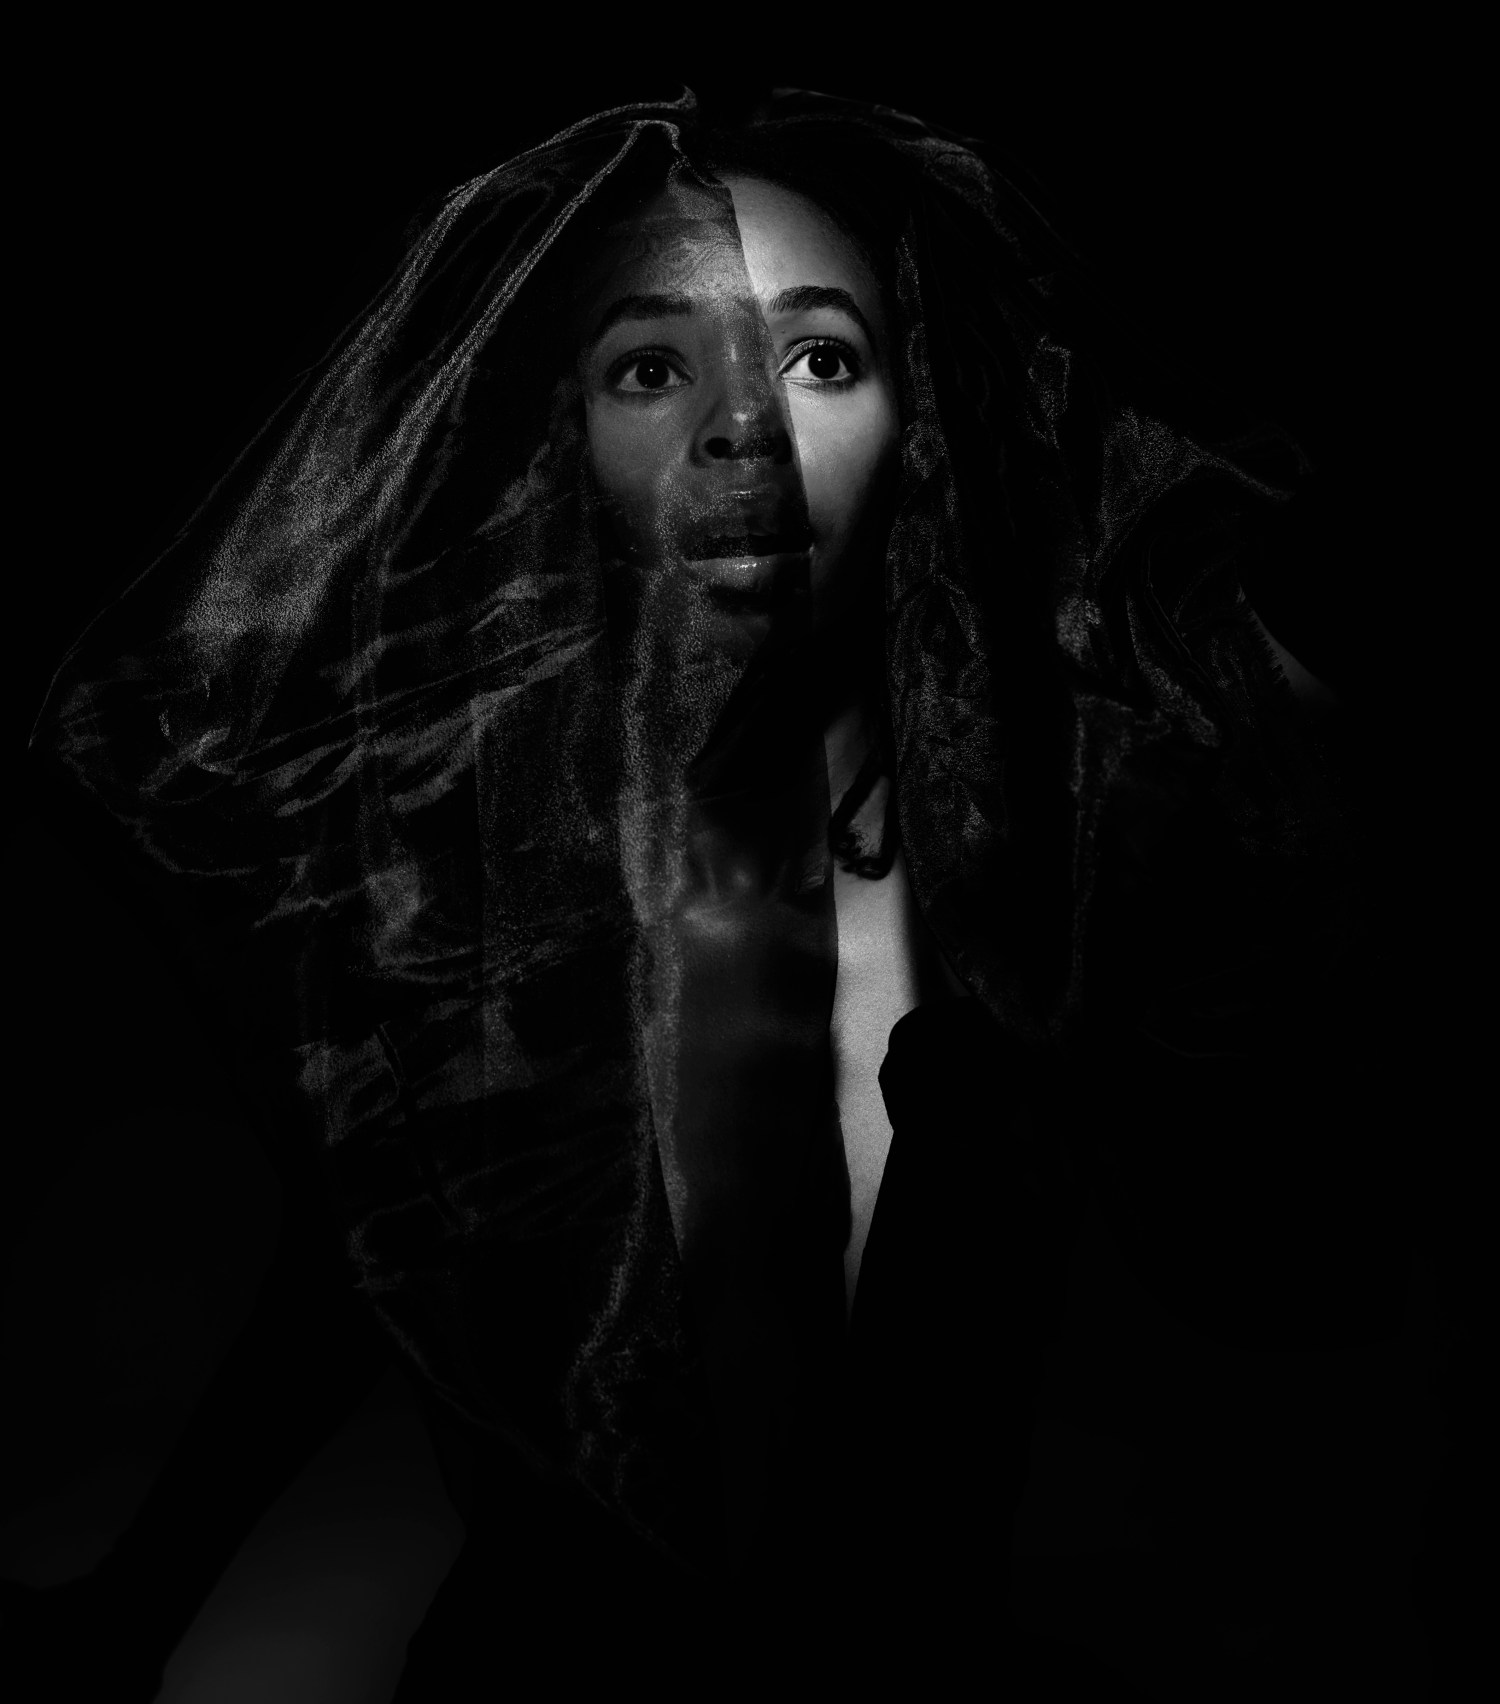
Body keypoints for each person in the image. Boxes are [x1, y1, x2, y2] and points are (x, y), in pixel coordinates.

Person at [9, 87, 1415, 1695]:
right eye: (651, 367)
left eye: (821, 357)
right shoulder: (477, 893)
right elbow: (370, 1268)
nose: (743, 422)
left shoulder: (1069, 857)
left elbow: (1286, 1276)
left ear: (919, 414)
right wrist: (144, 1601)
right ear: (566, 441)